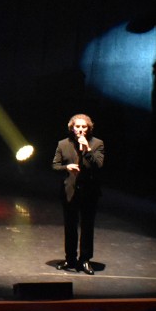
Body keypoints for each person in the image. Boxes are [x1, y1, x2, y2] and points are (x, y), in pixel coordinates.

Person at [53, 113, 104, 275]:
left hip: (89, 191)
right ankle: (70, 259)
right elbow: (55, 165)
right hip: (70, 190)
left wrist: (87, 149)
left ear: (88, 128)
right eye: (78, 126)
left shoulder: (97, 143)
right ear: (72, 128)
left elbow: (98, 165)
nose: (81, 129)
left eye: (84, 126)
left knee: (87, 226)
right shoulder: (63, 144)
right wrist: (66, 167)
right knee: (70, 226)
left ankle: (85, 259)